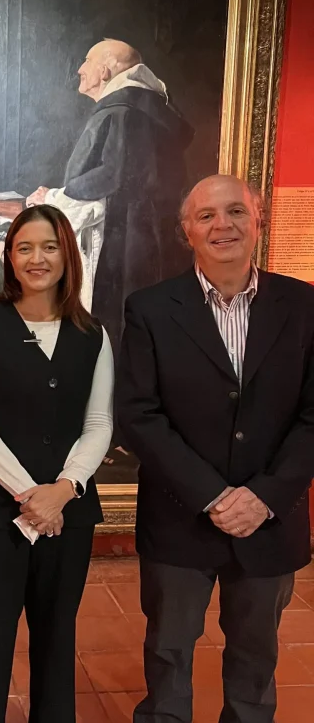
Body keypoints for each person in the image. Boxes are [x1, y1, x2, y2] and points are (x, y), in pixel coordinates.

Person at [117, 174, 314, 723]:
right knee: (168, 653)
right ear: (187, 230)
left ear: (259, 221)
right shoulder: (150, 309)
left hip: (270, 519)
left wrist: (264, 497)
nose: (221, 225)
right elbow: (138, 414)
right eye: (206, 215)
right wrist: (212, 495)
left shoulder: (304, 306)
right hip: (181, 517)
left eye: (235, 212)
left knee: (256, 659)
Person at [0, 204, 114, 722]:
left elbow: (100, 424)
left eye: (49, 246)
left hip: (70, 515)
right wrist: (31, 496)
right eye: (24, 248)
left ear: (68, 253)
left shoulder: (93, 335)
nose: (36, 258)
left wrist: (63, 489)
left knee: (56, 640)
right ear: (9, 256)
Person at [27, 38, 193, 352]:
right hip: (147, 239)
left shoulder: (124, 109)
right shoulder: (145, 108)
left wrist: (58, 196)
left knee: (117, 332)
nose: (79, 69)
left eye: (87, 61)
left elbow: (114, 175)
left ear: (104, 70)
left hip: (124, 243)